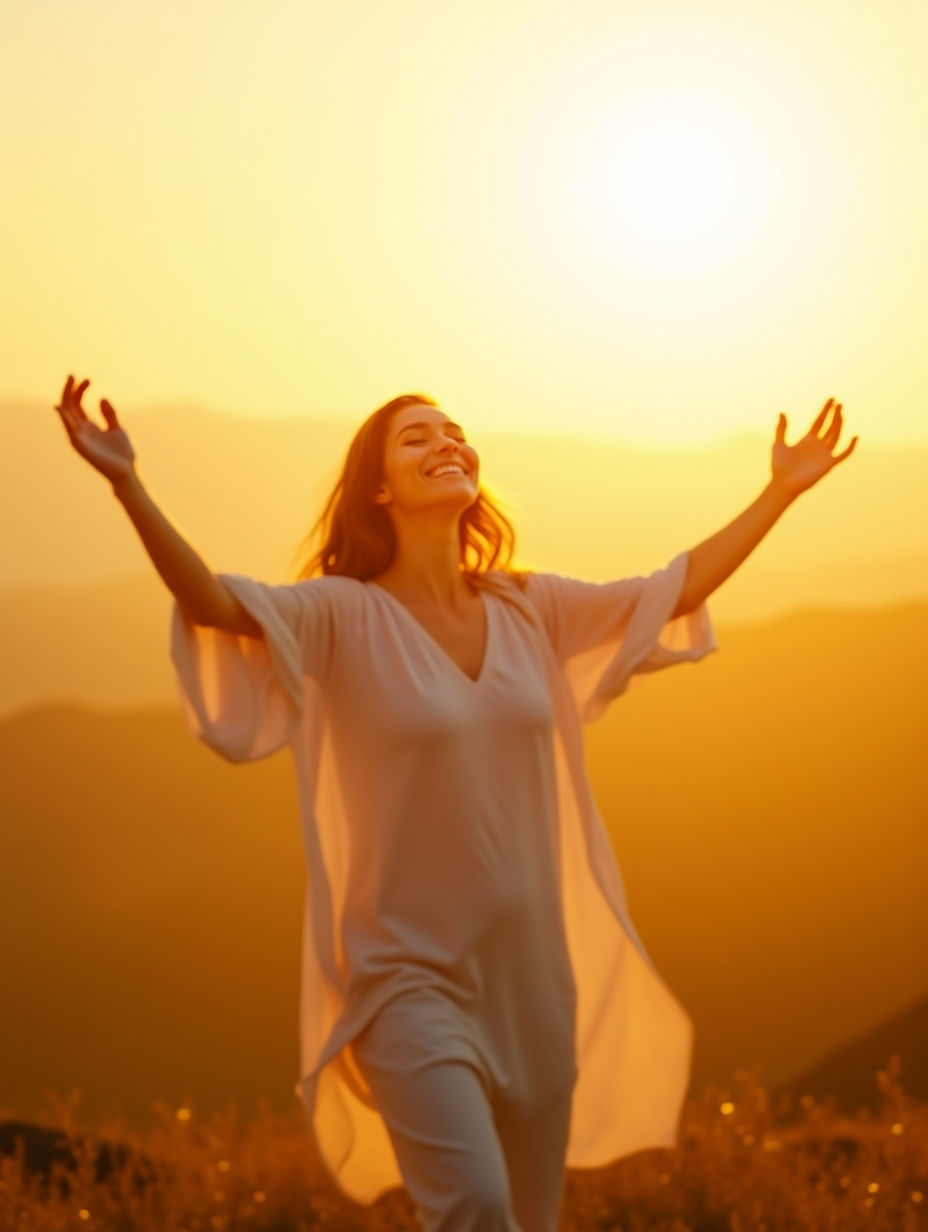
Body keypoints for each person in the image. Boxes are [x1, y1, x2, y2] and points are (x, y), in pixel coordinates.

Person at [53, 376, 856, 1232]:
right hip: (406, 980)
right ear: (380, 489)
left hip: (533, 984)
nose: (446, 443)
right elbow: (214, 600)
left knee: (529, 1221)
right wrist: (127, 485)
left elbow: (673, 589)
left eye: (455, 432)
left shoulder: (529, 605)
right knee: (473, 1207)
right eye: (416, 438)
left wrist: (780, 492)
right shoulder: (342, 616)